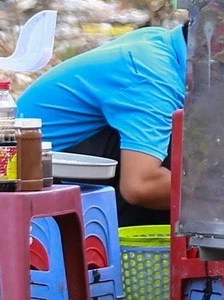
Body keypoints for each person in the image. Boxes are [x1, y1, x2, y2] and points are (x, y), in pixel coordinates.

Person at [16, 20, 186, 227]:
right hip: (35, 172)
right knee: (181, 162)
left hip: (60, 154)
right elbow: (140, 186)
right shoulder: (153, 78)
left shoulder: (163, 44)